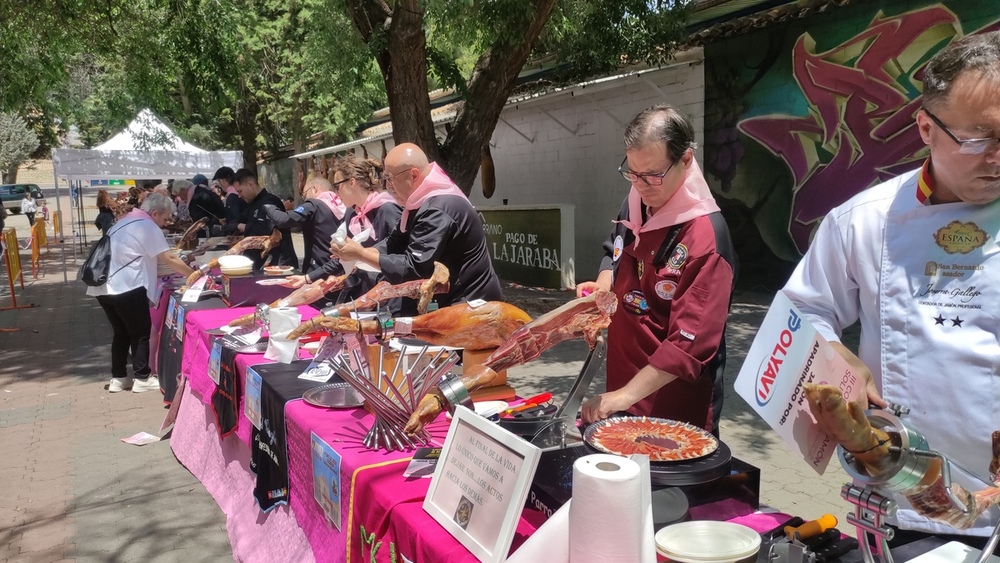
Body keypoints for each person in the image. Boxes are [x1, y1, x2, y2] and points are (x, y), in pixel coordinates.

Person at [782, 31, 1000, 541]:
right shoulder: (863, 221)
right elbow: (801, 310)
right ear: (926, 128)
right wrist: (836, 354)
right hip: (904, 499)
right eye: (979, 139)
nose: (996, 157)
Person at [576, 105, 738, 437]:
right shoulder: (638, 199)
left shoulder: (705, 236)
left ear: (686, 160)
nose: (641, 186)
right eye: (632, 173)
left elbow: (687, 346)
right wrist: (603, 289)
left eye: (652, 175)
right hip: (621, 393)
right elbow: (614, 251)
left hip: (673, 409)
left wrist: (623, 397)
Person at [330, 143, 502, 314]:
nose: (388, 185)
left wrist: (360, 254)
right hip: (450, 300)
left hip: (470, 303)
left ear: (413, 175)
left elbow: (414, 267)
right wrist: (357, 253)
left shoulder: (437, 208)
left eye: (390, 178)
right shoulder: (419, 203)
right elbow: (394, 243)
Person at [86, 193, 197, 393]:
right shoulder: (147, 226)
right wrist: (194, 275)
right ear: (155, 213)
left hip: (104, 287)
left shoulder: (123, 222)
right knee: (140, 333)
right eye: (164, 219)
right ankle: (142, 377)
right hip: (127, 286)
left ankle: (119, 377)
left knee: (121, 334)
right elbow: (169, 257)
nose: (165, 224)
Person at [287, 155, 402, 303]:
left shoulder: (388, 210)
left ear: (351, 182)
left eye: (337, 186)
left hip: (391, 297)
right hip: (363, 294)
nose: (336, 193)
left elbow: (400, 260)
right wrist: (307, 278)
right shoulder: (351, 214)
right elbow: (342, 258)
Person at [261, 175, 346, 275]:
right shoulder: (343, 205)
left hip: (318, 270)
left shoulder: (314, 205)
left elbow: (283, 220)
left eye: (304, 195)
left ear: (314, 189)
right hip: (339, 266)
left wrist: (267, 206)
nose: (304, 200)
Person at [232, 168, 299, 269]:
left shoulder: (270, 202)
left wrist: (245, 228)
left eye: (240, 191)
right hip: (259, 264)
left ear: (250, 184)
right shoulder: (252, 203)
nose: (239, 196)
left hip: (278, 265)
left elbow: (271, 233)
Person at [214, 166, 245, 236]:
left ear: (223, 181)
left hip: (239, 236)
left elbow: (236, 219)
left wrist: (228, 225)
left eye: (219, 181)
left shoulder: (232, 196)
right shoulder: (239, 193)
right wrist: (227, 219)